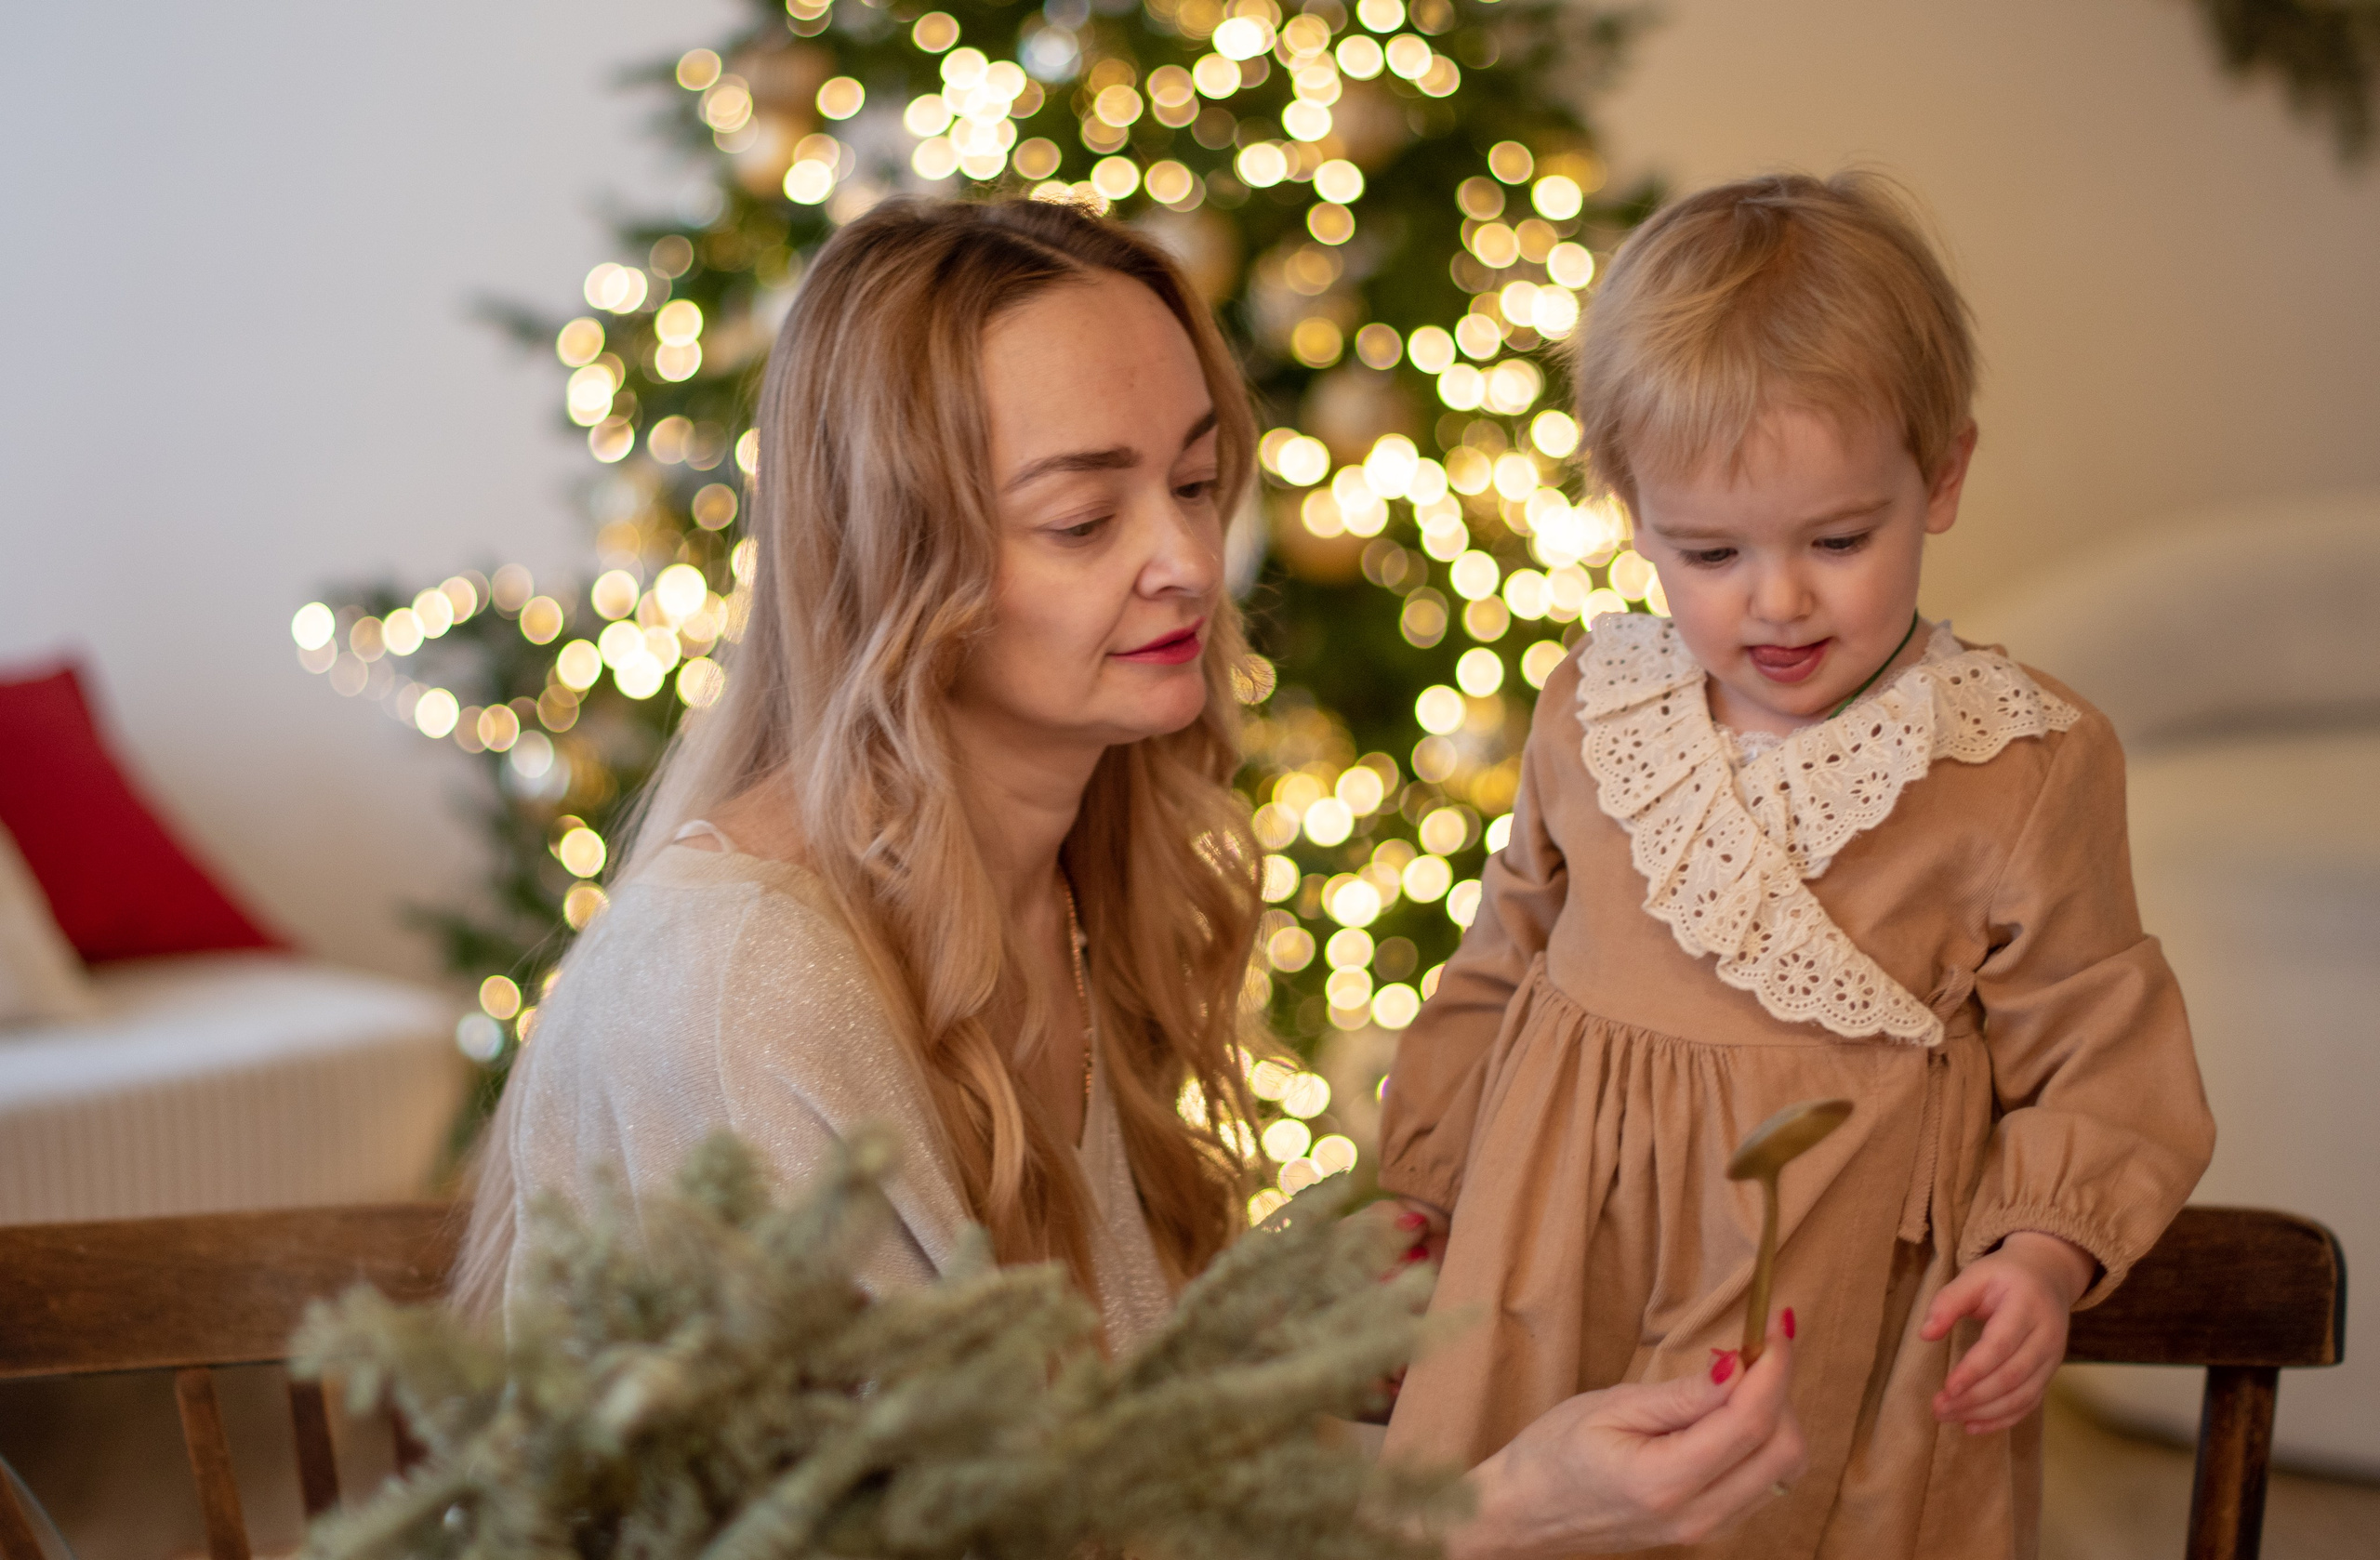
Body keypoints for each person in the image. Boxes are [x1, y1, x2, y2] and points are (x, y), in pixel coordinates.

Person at [454, 195, 1805, 1554]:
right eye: (1086, 517)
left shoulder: (1058, 893)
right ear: (897, 556)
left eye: (1198, 483)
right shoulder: (741, 984)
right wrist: (1485, 1516)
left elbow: (1113, 1456)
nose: (1191, 563)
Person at [1375, 171, 2217, 1556]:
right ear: (1629, 507)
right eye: (1709, 549)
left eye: (1839, 538)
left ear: (1939, 477)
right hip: (1547, 1276)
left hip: (1836, 1314)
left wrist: (2041, 1257)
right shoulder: (1595, 706)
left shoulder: (2019, 762)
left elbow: (2101, 1049)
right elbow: (1499, 959)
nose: (1777, 599)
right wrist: (1420, 1189)